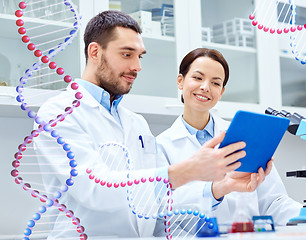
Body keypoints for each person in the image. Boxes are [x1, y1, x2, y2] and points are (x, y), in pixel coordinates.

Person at [33, 11, 271, 238]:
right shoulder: (59, 113)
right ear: (95, 52)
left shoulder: (136, 124)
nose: (137, 66)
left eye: (140, 56)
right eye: (127, 54)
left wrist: (219, 188)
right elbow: (95, 190)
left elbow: (160, 202)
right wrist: (188, 170)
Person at [156, 48, 303, 228]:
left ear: (222, 91)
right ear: (180, 81)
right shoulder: (162, 145)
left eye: (215, 83)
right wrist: (214, 191)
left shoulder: (245, 134)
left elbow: (273, 202)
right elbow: (161, 210)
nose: (205, 87)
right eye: (197, 78)